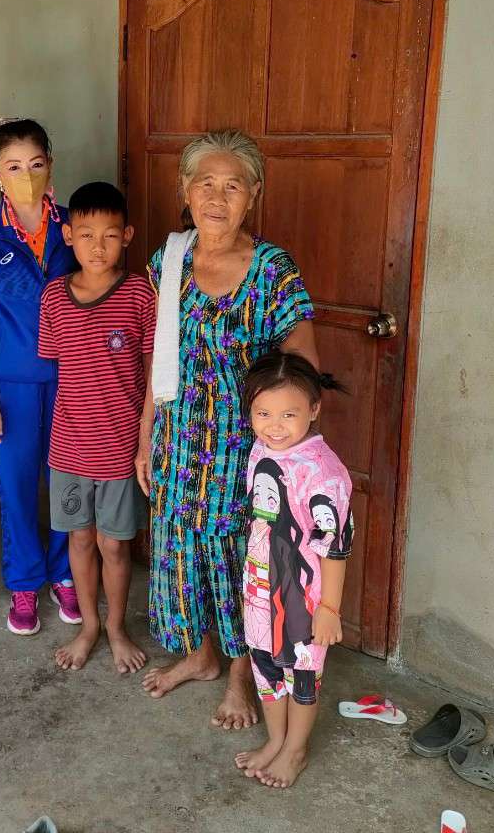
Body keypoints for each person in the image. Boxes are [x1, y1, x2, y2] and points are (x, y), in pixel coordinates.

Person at [136, 129, 318, 729]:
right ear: (185, 190)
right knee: (180, 550)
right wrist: (146, 433)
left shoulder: (272, 271)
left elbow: (304, 366)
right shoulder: (168, 261)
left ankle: (242, 675)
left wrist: (286, 445)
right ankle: (200, 655)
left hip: (244, 446)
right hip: (177, 438)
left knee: (241, 557)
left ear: (254, 194)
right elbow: (157, 354)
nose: (217, 197)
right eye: (205, 184)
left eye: (232, 186)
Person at [0, 117, 81, 636]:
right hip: (11, 384)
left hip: (72, 379)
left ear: (50, 165)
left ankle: (65, 572)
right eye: (12, 166)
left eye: (35, 164)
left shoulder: (74, 227)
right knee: (15, 483)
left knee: (69, 481)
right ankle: (25, 583)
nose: (25, 175)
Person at [38, 182, 155, 673]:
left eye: (110, 235)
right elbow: (56, 367)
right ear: (68, 236)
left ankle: (116, 627)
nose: (98, 246)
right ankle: (88, 626)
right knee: (81, 540)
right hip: (69, 449)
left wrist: (146, 439)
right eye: (86, 234)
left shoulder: (139, 294)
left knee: (114, 544)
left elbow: (153, 374)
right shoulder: (54, 297)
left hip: (120, 450)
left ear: (127, 236)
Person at [233, 352, 352, 788]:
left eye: (289, 414)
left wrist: (330, 609)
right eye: (263, 413)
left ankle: (296, 749)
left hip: (304, 598)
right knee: (265, 666)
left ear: (314, 410)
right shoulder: (261, 449)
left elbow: (334, 548)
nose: (274, 426)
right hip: (260, 588)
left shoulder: (324, 473)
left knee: (301, 673)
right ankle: (276, 740)